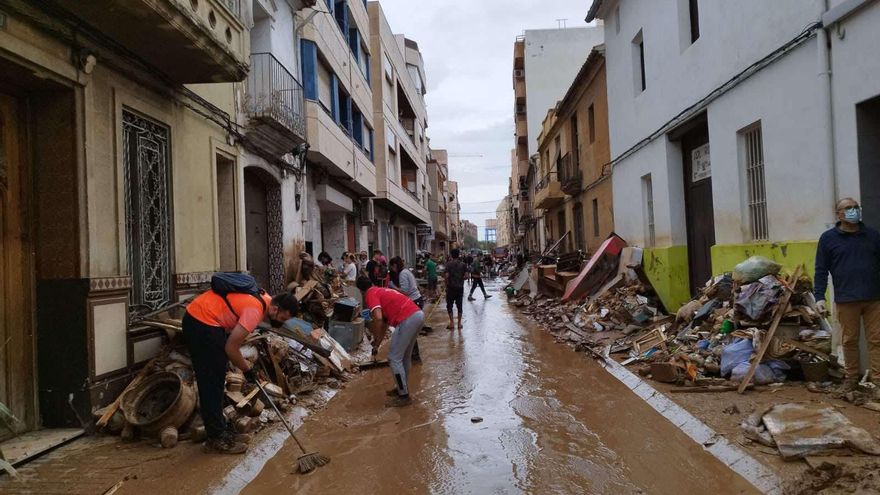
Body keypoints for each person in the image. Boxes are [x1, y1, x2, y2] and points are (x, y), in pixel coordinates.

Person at [184, 287, 299, 454]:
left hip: (205, 320)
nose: (280, 322)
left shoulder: (265, 298)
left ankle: (219, 429)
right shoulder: (255, 310)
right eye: (281, 318)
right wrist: (247, 370)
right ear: (275, 308)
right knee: (211, 381)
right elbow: (231, 348)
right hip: (201, 323)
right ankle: (216, 438)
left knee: (216, 377)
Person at [814, 197, 880, 390]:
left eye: (856, 207)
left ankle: (878, 380)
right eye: (848, 208)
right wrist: (819, 297)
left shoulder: (873, 236)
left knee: (877, 340)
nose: (853, 211)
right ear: (839, 214)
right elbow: (821, 270)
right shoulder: (828, 239)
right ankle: (851, 378)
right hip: (846, 299)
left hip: (874, 298)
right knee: (849, 341)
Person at [357, 276, 425, 407]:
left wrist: (375, 336)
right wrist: (377, 343)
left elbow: (378, 318)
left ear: (361, 291)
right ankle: (401, 387)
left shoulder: (370, 294)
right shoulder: (381, 290)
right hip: (417, 315)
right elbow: (384, 324)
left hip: (408, 318)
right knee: (404, 357)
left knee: (394, 358)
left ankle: (404, 395)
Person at [444, 248, 467, 330]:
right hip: (460, 288)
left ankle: (452, 323)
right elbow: (466, 276)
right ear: (458, 255)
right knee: (459, 305)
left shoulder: (448, 264)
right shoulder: (463, 264)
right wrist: (460, 279)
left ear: (451, 255)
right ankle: (459, 324)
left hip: (450, 288)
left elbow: (446, 276)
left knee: (449, 305)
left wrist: (446, 284)